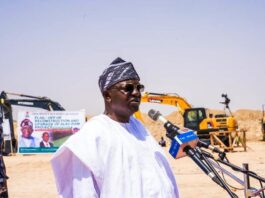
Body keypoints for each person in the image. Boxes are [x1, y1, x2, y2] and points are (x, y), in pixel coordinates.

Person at [51, 57, 179, 197]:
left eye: (138, 87)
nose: (136, 92)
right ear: (107, 96)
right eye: (128, 88)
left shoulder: (139, 128)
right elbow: (82, 192)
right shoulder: (91, 137)